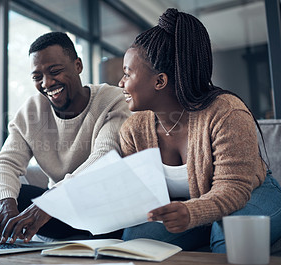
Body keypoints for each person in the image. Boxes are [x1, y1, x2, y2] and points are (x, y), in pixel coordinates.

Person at [117, 8, 281, 252]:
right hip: (191, 208)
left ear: (159, 81)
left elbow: (234, 188)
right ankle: (208, 233)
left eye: (127, 74)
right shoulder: (133, 130)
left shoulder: (226, 113)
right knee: (135, 240)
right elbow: (142, 196)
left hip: (250, 194)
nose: (121, 83)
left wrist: (191, 212)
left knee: (228, 240)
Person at [0, 32, 131, 243]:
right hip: (59, 211)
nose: (47, 83)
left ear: (78, 66)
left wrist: (51, 201)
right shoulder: (32, 110)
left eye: (55, 71)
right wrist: (6, 204)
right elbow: (6, 162)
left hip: (104, 210)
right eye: (37, 77)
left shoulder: (112, 100)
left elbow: (102, 160)